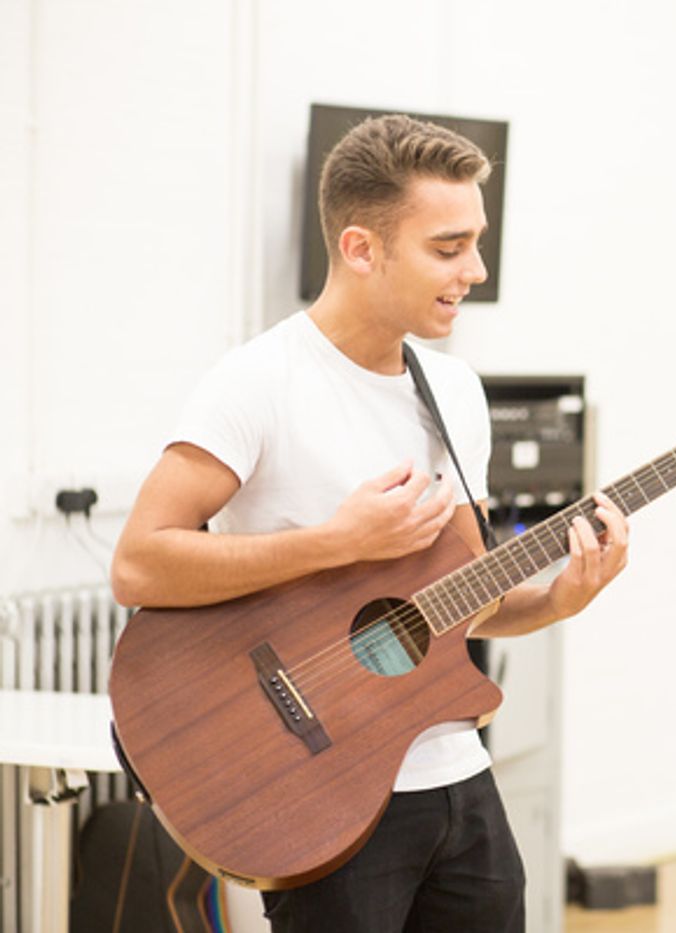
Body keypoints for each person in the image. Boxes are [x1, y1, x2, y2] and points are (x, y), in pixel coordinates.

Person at [110, 114, 630, 932]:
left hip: (454, 775)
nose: (475, 270)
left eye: (477, 243)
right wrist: (336, 542)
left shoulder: (455, 393)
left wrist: (559, 600)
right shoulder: (257, 382)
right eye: (449, 247)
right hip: (320, 792)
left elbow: (468, 603)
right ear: (361, 248)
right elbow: (138, 564)